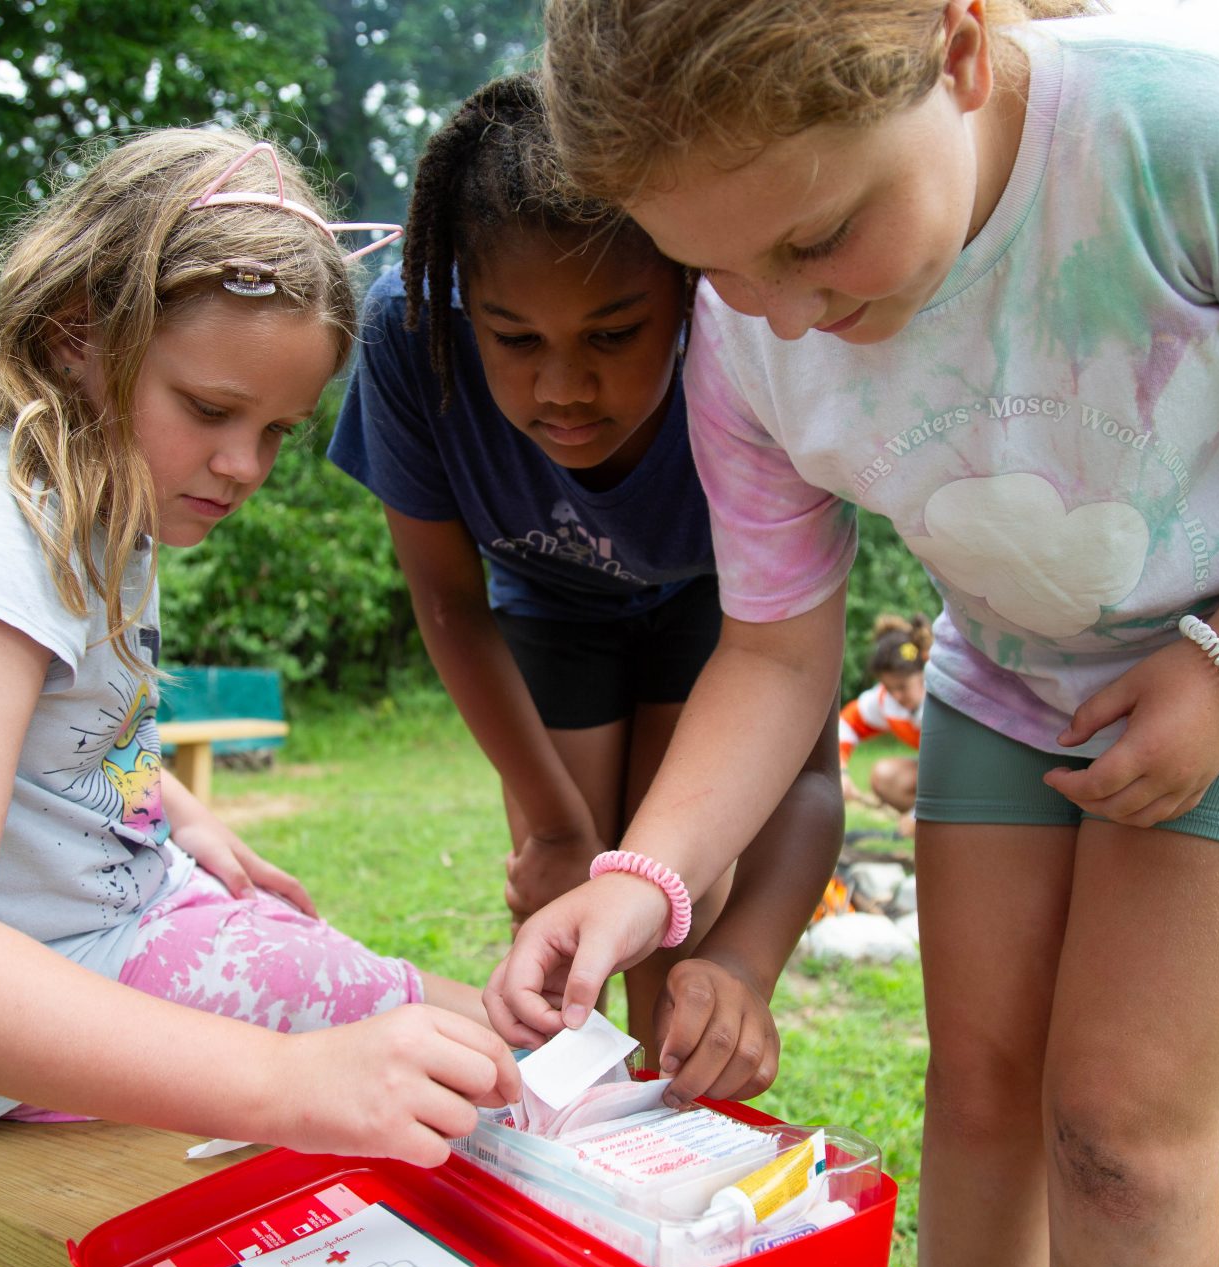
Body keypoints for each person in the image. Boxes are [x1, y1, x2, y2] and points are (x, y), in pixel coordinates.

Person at [496, 2, 1219, 1267]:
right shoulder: (745, 335)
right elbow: (774, 653)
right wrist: (639, 878)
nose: (781, 316)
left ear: (961, 46)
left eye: (819, 237)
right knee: (982, 1096)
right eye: (714, 268)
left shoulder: (1201, 139)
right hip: (1007, 676)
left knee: (1119, 1134)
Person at [0, 128, 518, 1168]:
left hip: (99, 925)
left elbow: (52, 733)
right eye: (212, 410)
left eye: (275, 429)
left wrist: (174, 807)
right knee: (446, 1046)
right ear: (77, 328)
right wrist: (288, 1083)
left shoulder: (82, 488)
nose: (244, 463)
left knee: (389, 1007)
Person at [329, 75, 841, 1102]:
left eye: (613, 334)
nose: (562, 387)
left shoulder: (757, 335)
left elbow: (803, 765)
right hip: (543, 602)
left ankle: (667, 1143)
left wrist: (740, 968)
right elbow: (447, 599)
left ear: (693, 292)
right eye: (514, 340)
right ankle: (564, 1150)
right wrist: (558, 825)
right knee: (563, 912)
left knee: (673, 906)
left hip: (716, 603)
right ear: (461, 301)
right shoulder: (407, 336)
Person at [840, 613, 933, 838]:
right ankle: (934, 828)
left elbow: (955, 768)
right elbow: (846, 724)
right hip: (940, 772)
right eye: (890, 688)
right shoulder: (887, 701)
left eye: (902, 686)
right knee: (885, 775)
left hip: (971, 776)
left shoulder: (942, 699)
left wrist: (916, 814)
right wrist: (840, 773)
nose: (896, 696)